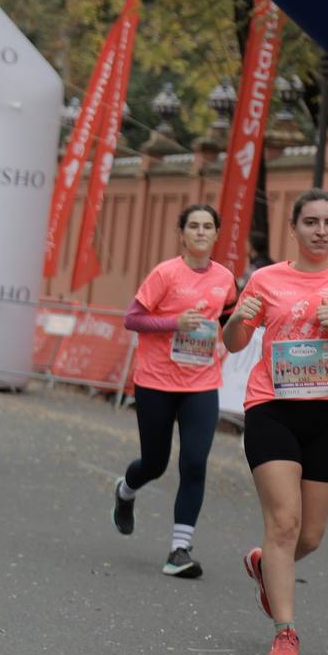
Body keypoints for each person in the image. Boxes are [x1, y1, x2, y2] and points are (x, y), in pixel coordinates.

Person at [223, 189, 328, 655]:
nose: (321, 231)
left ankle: (262, 565)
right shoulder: (265, 279)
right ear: (292, 229)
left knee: (310, 537)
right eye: (311, 222)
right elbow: (233, 344)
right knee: (285, 523)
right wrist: (239, 319)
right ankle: (285, 632)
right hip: (272, 407)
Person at [113, 204, 237, 578]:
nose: (201, 232)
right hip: (156, 381)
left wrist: (233, 339)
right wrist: (174, 322)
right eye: (194, 226)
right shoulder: (165, 274)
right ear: (181, 233)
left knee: (195, 463)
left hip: (201, 382)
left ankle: (179, 550)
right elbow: (132, 318)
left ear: (217, 234)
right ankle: (125, 490)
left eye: (208, 227)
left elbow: (229, 322)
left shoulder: (225, 278)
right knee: (155, 462)